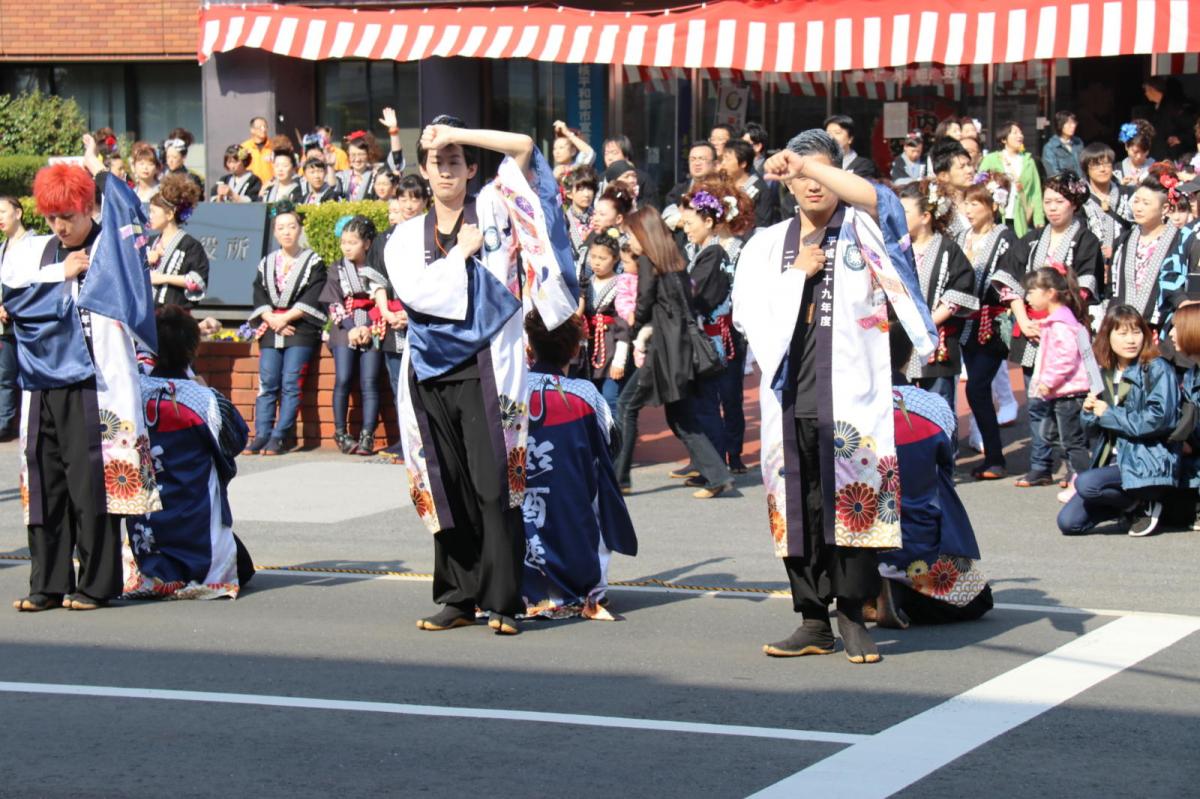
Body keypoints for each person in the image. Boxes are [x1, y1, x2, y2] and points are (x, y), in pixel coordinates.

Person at [733, 129, 936, 663]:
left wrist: (804, 162)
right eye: (799, 175)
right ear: (786, 185)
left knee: (853, 500)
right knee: (798, 506)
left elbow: (883, 200)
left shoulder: (864, 229)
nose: (811, 184)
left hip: (851, 393)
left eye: (822, 172)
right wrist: (796, 277)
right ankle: (811, 619)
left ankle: (851, 615)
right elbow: (746, 316)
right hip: (788, 393)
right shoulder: (766, 244)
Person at [383, 115, 577, 636]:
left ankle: (504, 601)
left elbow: (524, 147)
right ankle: (458, 596)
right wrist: (462, 256)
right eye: (436, 161)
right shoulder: (405, 234)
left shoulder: (493, 207)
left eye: (455, 161)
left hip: (489, 365)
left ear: (471, 168)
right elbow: (417, 296)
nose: (445, 169)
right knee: (445, 484)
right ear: (424, 172)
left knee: (495, 485)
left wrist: (457, 135)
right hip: (428, 369)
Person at [6, 163, 161, 612]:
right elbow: (10, 298)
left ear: (88, 208)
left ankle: (95, 584)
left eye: (68, 216)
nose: (60, 226)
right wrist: (61, 273)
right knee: (45, 481)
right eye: (52, 217)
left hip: (97, 383)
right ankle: (47, 584)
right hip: (41, 381)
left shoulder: (113, 248)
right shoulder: (36, 251)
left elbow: (132, 299)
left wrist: (104, 174)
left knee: (92, 483)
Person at [123, 305, 253, 600]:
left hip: (147, 518)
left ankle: (153, 573)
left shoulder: (132, 391)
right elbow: (235, 440)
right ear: (192, 349)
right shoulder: (203, 398)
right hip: (193, 516)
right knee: (244, 568)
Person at [872, 321, 992, 628]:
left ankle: (865, 591)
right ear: (909, 355)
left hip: (858, 531)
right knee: (978, 600)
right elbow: (946, 464)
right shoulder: (932, 405)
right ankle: (898, 594)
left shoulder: (844, 404)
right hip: (917, 529)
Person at [521, 309, 637, 619]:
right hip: (570, 497)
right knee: (596, 491)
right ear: (575, 350)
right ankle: (585, 589)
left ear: (529, 348)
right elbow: (610, 441)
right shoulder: (585, 393)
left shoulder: (511, 391)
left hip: (521, 493)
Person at [614, 207, 734, 499]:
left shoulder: (648, 262)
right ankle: (716, 475)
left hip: (662, 350)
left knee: (627, 405)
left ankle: (620, 478)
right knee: (680, 415)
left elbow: (644, 305)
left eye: (632, 235)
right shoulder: (674, 260)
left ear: (644, 234)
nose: (630, 241)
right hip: (678, 347)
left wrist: (633, 328)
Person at [1002, 173, 1104, 488]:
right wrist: (1022, 318)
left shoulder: (1086, 240)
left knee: (1068, 408)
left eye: (1059, 201)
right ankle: (1040, 464)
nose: (1052, 208)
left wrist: (1054, 315)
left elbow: (1085, 288)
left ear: (1074, 204)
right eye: (1047, 201)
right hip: (1031, 328)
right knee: (1037, 405)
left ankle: (1075, 467)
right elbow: (1007, 278)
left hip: (1063, 327)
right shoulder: (1032, 238)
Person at [1057, 305, 1178, 536]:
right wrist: (1089, 412)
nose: (1131, 340)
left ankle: (1142, 503)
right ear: (1108, 336)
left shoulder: (1157, 368)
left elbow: (1160, 419)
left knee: (1085, 483)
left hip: (1147, 460)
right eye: (1122, 333)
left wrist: (1108, 414)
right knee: (1068, 523)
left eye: (1136, 332)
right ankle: (1131, 507)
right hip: (1111, 461)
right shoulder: (1105, 371)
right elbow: (1091, 433)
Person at [956, 173, 1027, 480]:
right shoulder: (961, 236)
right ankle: (991, 455)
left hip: (992, 321)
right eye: (966, 203)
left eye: (976, 203)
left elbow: (1010, 277)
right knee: (977, 389)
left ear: (993, 206)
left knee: (977, 386)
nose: (969, 209)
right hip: (964, 322)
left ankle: (995, 457)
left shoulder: (1005, 237)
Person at [246, 202, 327, 456]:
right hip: (272, 326)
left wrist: (286, 318)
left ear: (299, 229)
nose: (287, 232)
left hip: (300, 328)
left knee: (291, 382)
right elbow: (259, 293)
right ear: (275, 232)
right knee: (268, 381)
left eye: (291, 226)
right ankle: (262, 433)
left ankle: (280, 436)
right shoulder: (267, 262)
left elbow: (314, 294)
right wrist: (271, 318)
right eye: (281, 228)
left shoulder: (313, 261)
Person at [898, 180, 979, 412]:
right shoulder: (896, 248)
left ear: (925, 217)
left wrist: (927, 323)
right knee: (902, 409)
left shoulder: (947, 249)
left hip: (936, 339)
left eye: (904, 212)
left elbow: (960, 290)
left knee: (938, 408)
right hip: (901, 341)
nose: (898, 217)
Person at [368, 177, 426, 464]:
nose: (409, 205)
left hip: (424, 322)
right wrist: (387, 312)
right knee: (397, 385)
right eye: (403, 198)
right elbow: (377, 281)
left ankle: (427, 442)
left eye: (415, 198)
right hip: (392, 322)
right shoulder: (385, 239)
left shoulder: (433, 233)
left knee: (423, 385)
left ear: (425, 201)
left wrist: (411, 312)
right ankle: (406, 441)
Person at [1023, 266, 1094, 499]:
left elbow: (1065, 357)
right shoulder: (1057, 321)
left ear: (1050, 293)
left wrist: (1048, 381)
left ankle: (1084, 483)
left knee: (1072, 441)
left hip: (1069, 393)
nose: (1028, 298)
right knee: (1053, 435)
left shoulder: (1061, 324)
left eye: (1032, 291)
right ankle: (1078, 476)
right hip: (1061, 393)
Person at [322, 216, 385, 456]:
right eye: (344, 242)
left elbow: (383, 297)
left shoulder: (377, 266)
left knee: (370, 381)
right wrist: (351, 327)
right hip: (344, 327)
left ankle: (368, 434)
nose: (347, 247)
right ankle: (340, 432)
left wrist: (368, 326)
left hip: (373, 324)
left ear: (367, 244)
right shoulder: (336, 269)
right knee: (343, 378)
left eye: (353, 242)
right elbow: (333, 302)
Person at [1109, 168, 1188, 329]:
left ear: (1165, 208)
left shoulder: (1180, 241)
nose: (1138, 208)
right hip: (1123, 325)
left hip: (1163, 326)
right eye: (1136, 201)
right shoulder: (1124, 240)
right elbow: (1113, 286)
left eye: (1146, 203)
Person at [582, 228, 632, 419]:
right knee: (590, 400)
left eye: (602, 258)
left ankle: (617, 437)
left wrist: (619, 361)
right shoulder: (585, 283)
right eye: (593, 257)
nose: (596, 262)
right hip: (589, 348)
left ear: (615, 258)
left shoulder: (621, 285)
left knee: (611, 399)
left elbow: (623, 327)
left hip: (611, 348)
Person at [145, 173, 209, 308]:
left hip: (174, 314)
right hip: (148, 313)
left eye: (153, 212)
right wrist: (145, 260)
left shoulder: (190, 245)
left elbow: (198, 281)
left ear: (169, 214)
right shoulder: (149, 242)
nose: (149, 216)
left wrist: (163, 278)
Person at [978, 122, 1044, 237]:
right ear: (1004, 139)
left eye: (1021, 133)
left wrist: (1039, 220)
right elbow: (979, 185)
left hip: (1020, 219)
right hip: (996, 217)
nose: (1020, 136)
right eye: (1015, 133)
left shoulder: (1029, 162)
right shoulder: (991, 159)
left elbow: (1036, 192)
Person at [1080, 143, 1134, 267]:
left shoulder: (1128, 194)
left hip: (1123, 261)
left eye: (1106, 164)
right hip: (1091, 263)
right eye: (1096, 165)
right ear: (1086, 169)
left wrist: (1116, 248)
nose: (1102, 169)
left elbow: (1137, 228)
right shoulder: (1081, 199)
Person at [0, 196, 26, 439]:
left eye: (3, 211)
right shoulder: (2, 248)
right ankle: (5, 424)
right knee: (5, 375)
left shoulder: (34, 244)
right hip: (5, 324)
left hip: (29, 321)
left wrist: (14, 306)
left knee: (29, 374)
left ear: (18, 213)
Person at [722, 138, 776, 229]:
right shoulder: (722, 185)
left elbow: (762, 225)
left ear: (743, 163)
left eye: (727, 159)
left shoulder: (760, 189)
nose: (723, 163)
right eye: (723, 159)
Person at [931, 139, 976, 236]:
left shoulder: (979, 201)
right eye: (962, 167)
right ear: (944, 176)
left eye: (969, 165)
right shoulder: (937, 208)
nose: (969, 170)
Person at [563, 166, 597, 255]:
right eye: (580, 189)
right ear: (569, 194)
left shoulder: (599, 217)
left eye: (590, 188)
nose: (586, 194)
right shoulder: (564, 219)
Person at [1042, 111, 1084, 178]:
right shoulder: (1050, 148)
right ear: (1060, 124)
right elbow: (1053, 174)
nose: (1073, 126)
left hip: (1082, 183)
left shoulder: (1078, 142)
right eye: (1069, 123)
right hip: (1064, 184)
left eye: (1074, 122)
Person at [161, 129, 204, 194]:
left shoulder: (191, 179)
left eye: (174, 157)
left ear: (183, 157)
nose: (170, 161)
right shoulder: (162, 176)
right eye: (168, 157)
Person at [1116, 120, 1155, 185]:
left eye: (1144, 152)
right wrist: (1121, 186)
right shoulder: (1117, 170)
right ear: (1126, 146)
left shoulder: (1155, 168)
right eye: (1135, 152)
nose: (1139, 156)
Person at [242, 116, 275, 186]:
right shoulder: (244, 147)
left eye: (265, 127)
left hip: (270, 186)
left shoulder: (274, 146)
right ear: (252, 130)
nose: (263, 129)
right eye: (260, 127)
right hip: (251, 187)